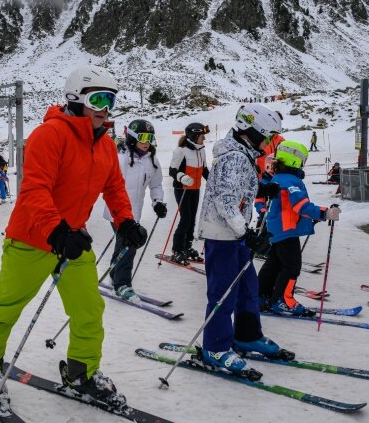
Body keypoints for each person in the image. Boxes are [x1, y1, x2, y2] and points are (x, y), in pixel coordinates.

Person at [0, 65, 147, 412]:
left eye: (110, 100)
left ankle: (82, 371)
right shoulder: (50, 135)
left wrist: (125, 221)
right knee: (7, 307)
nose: (104, 108)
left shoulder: (106, 145)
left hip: (72, 241)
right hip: (33, 238)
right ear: (75, 98)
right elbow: (35, 189)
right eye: (97, 99)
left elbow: (113, 187)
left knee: (89, 309)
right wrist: (56, 230)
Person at [196, 103, 290, 373]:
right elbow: (225, 200)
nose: (269, 143)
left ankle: (246, 335)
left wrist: (261, 187)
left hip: (235, 234)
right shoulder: (234, 157)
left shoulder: (243, 154)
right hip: (222, 234)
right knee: (223, 293)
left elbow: (238, 188)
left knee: (248, 289)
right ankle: (214, 347)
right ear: (252, 132)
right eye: (267, 136)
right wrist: (246, 232)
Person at [258, 141, 341, 316]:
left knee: (274, 264)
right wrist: (324, 213)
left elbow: (287, 207)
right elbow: (301, 206)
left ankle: (260, 296)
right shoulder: (290, 181)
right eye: (303, 159)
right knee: (291, 267)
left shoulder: (280, 177)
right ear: (295, 160)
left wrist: (313, 220)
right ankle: (283, 301)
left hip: (279, 229)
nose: (304, 163)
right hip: (286, 230)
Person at [103, 119, 166, 302]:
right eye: (143, 138)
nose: (146, 142)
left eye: (150, 138)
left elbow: (156, 185)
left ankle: (115, 276)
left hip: (134, 212)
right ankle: (122, 284)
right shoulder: (121, 158)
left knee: (123, 242)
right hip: (116, 211)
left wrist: (158, 202)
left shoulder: (152, 160)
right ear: (132, 137)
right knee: (129, 244)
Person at [169, 122, 210, 264]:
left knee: (192, 219)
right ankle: (177, 249)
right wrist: (183, 178)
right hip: (182, 189)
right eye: (201, 136)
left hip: (195, 189)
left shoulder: (202, 150)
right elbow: (172, 170)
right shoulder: (180, 150)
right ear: (193, 135)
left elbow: (204, 170)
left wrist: (212, 182)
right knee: (185, 218)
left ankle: (187, 247)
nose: (203, 139)